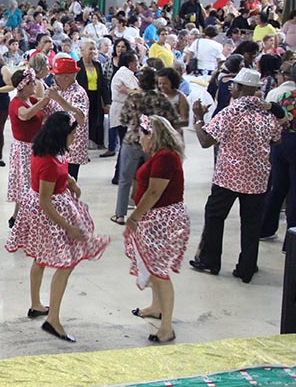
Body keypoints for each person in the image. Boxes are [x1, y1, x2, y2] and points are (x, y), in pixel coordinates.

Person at [5, 112, 109, 343]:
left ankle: (36, 304)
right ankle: (53, 318)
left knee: (41, 259)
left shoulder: (49, 150)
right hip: (47, 212)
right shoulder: (49, 162)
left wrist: (70, 181)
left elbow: (60, 170)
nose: (75, 138)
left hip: (49, 205)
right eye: (73, 134)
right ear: (62, 135)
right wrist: (68, 227)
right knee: (66, 263)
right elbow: (45, 201)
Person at [190, 68, 283, 283]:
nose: (231, 87)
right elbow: (277, 139)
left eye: (234, 85)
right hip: (257, 178)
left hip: (228, 176)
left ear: (241, 88)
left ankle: (210, 260)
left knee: (215, 216)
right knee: (251, 223)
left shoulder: (230, 112)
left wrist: (198, 119)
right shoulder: (266, 114)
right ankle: (247, 267)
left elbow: (206, 141)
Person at [124, 115, 188, 344]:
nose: (139, 140)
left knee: (160, 272)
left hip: (164, 221)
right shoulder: (160, 156)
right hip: (157, 219)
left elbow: (154, 193)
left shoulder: (165, 159)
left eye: (141, 135)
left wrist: (134, 218)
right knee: (153, 266)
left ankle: (166, 327)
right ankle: (156, 306)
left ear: (152, 135)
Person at [111, 68, 178, 226]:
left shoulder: (133, 98)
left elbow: (123, 118)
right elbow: (172, 119)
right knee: (150, 180)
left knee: (125, 180)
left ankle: (120, 214)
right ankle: (147, 213)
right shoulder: (162, 99)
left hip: (132, 140)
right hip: (155, 143)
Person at [6, 68, 48, 229]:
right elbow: (25, 115)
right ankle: (24, 219)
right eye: (31, 82)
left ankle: (17, 216)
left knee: (26, 183)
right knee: (26, 183)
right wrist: (44, 102)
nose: (35, 84)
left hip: (33, 147)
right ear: (23, 85)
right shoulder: (16, 103)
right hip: (23, 149)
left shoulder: (31, 99)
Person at [260, 62, 296, 243]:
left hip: (280, 143)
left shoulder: (283, 96)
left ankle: (265, 228)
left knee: (278, 187)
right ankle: (291, 240)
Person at [42, 57, 89, 180]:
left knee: (68, 184)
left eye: (57, 75)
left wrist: (58, 99)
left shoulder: (78, 93)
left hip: (71, 149)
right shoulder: (59, 90)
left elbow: (80, 118)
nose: (54, 78)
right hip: (57, 146)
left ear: (67, 77)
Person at [76, 38, 109, 150]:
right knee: (84, 121)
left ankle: (95, 142)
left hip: (96, 96)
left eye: (94, 49)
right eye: (90, 49)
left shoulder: (97, 65)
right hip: (83, 98)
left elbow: (103, 84)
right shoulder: (77, 66)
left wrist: (107, 101)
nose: (93, 51)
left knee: (96, 120)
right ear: (83, 50)